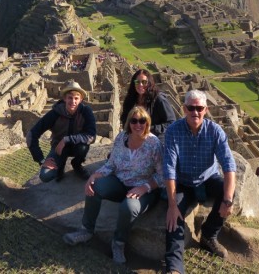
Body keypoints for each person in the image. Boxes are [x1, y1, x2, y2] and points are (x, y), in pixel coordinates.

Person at [63, 106, 163, 264]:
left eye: (142, 121)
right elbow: (111, 165)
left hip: (145, 189)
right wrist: (94, 176)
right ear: (129, 123)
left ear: (147, 123)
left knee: (128, 207)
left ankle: (118, 243)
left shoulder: (153, 144)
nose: (138, 125)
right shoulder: (122, 138)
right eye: (134, 121)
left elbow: (162, 174)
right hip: (121, 182)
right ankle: (86, 230)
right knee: (94, 187)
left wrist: (145, 188)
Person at [163, 89, 236, 274]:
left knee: (226, 192)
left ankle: (209, 235)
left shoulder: (214, 131)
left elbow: (229, 165)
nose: (195, 112)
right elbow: (169, 168)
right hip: (183, 181)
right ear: (184, 109)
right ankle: (175, 266)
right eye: (191, 108)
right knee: (174, 215)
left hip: (207, 178)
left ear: (206, 109)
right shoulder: (173, 131)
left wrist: (228, 200)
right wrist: (172, 204)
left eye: (199, 108)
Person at [26, 80, 96, 182]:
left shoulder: (86, 112)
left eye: (76, 98)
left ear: (81, 99)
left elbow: (91, 136)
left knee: (83, 147)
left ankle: (76, 164)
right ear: (64, 98)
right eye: (70, 98)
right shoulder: (55, 113)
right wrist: (41, 160)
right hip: (58, 148)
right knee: (45, 176)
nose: (73, 101)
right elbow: (31, 135)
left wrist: (66, 139)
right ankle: (60, 166)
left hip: (77, 146)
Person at [121, 69, 176, 141]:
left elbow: (171, 123)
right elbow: (124, 119)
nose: (140, 85)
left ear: (149, 83)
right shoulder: (130, 100)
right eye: (137, 82)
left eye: (144, 82)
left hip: (155, 139)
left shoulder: (159, 99)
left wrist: (148, 128)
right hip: (135, 139)